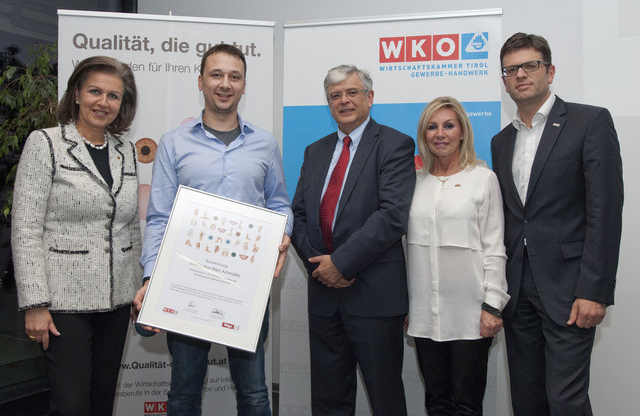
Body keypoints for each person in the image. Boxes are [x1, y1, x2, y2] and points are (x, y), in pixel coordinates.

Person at [133, 44, 292, 416]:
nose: (225, 84)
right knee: (184, 392)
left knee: (254, 392)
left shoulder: (265, 144)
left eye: (234, 76)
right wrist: (153, 277)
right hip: (188, 282)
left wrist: (281, 234)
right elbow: (159, 217)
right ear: (201, 81)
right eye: (216, 75)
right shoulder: (173, 143)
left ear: (244, 85)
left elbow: (280, 203)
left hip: (245, 285)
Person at [491, 32, 623, 416]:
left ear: (550, 71)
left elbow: (605, 210)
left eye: (530, 66)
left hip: (570, 289)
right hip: (518, 292)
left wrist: (595, 289)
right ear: (504, 81)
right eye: (511, 69)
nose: (520, 75)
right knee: (527, 401)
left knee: (565, 401)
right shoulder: (501, 142)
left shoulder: (589, 121)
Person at [11, 55, 141, 416]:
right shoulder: (46, 144)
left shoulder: (125, 151)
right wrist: (35, 303)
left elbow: (130, 224)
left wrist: (138, 290)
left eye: (113, 96)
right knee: (70, 405)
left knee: (102, 402)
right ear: (78, 94)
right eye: (95, 91)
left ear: (122, 103)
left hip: (116, 302)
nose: (103, 102)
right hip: (62, 304)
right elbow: (25, 228)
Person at [291, 64, 416, 416]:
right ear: (328, 104)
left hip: (373, 295)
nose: (343, 100)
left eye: (352, 92)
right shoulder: (315, 151)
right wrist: (321, 266)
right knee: (329, 400)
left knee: (385, 398)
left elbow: (392, 216)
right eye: (335, 96)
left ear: (370, 97)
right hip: (324, 295)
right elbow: (298, 214)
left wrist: (341, 264)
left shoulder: (394, 144)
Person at [406, 96, 509, 416]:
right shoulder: (413, 184)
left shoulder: (483, 179)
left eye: (449, 125)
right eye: (432, 127)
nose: (440, 134)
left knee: (466, 404)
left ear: (462, 131)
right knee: (435, 401)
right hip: (424, 313)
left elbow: (495, 245)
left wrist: (493, 305)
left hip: (471, 314)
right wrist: (408, 305)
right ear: (423, 135)